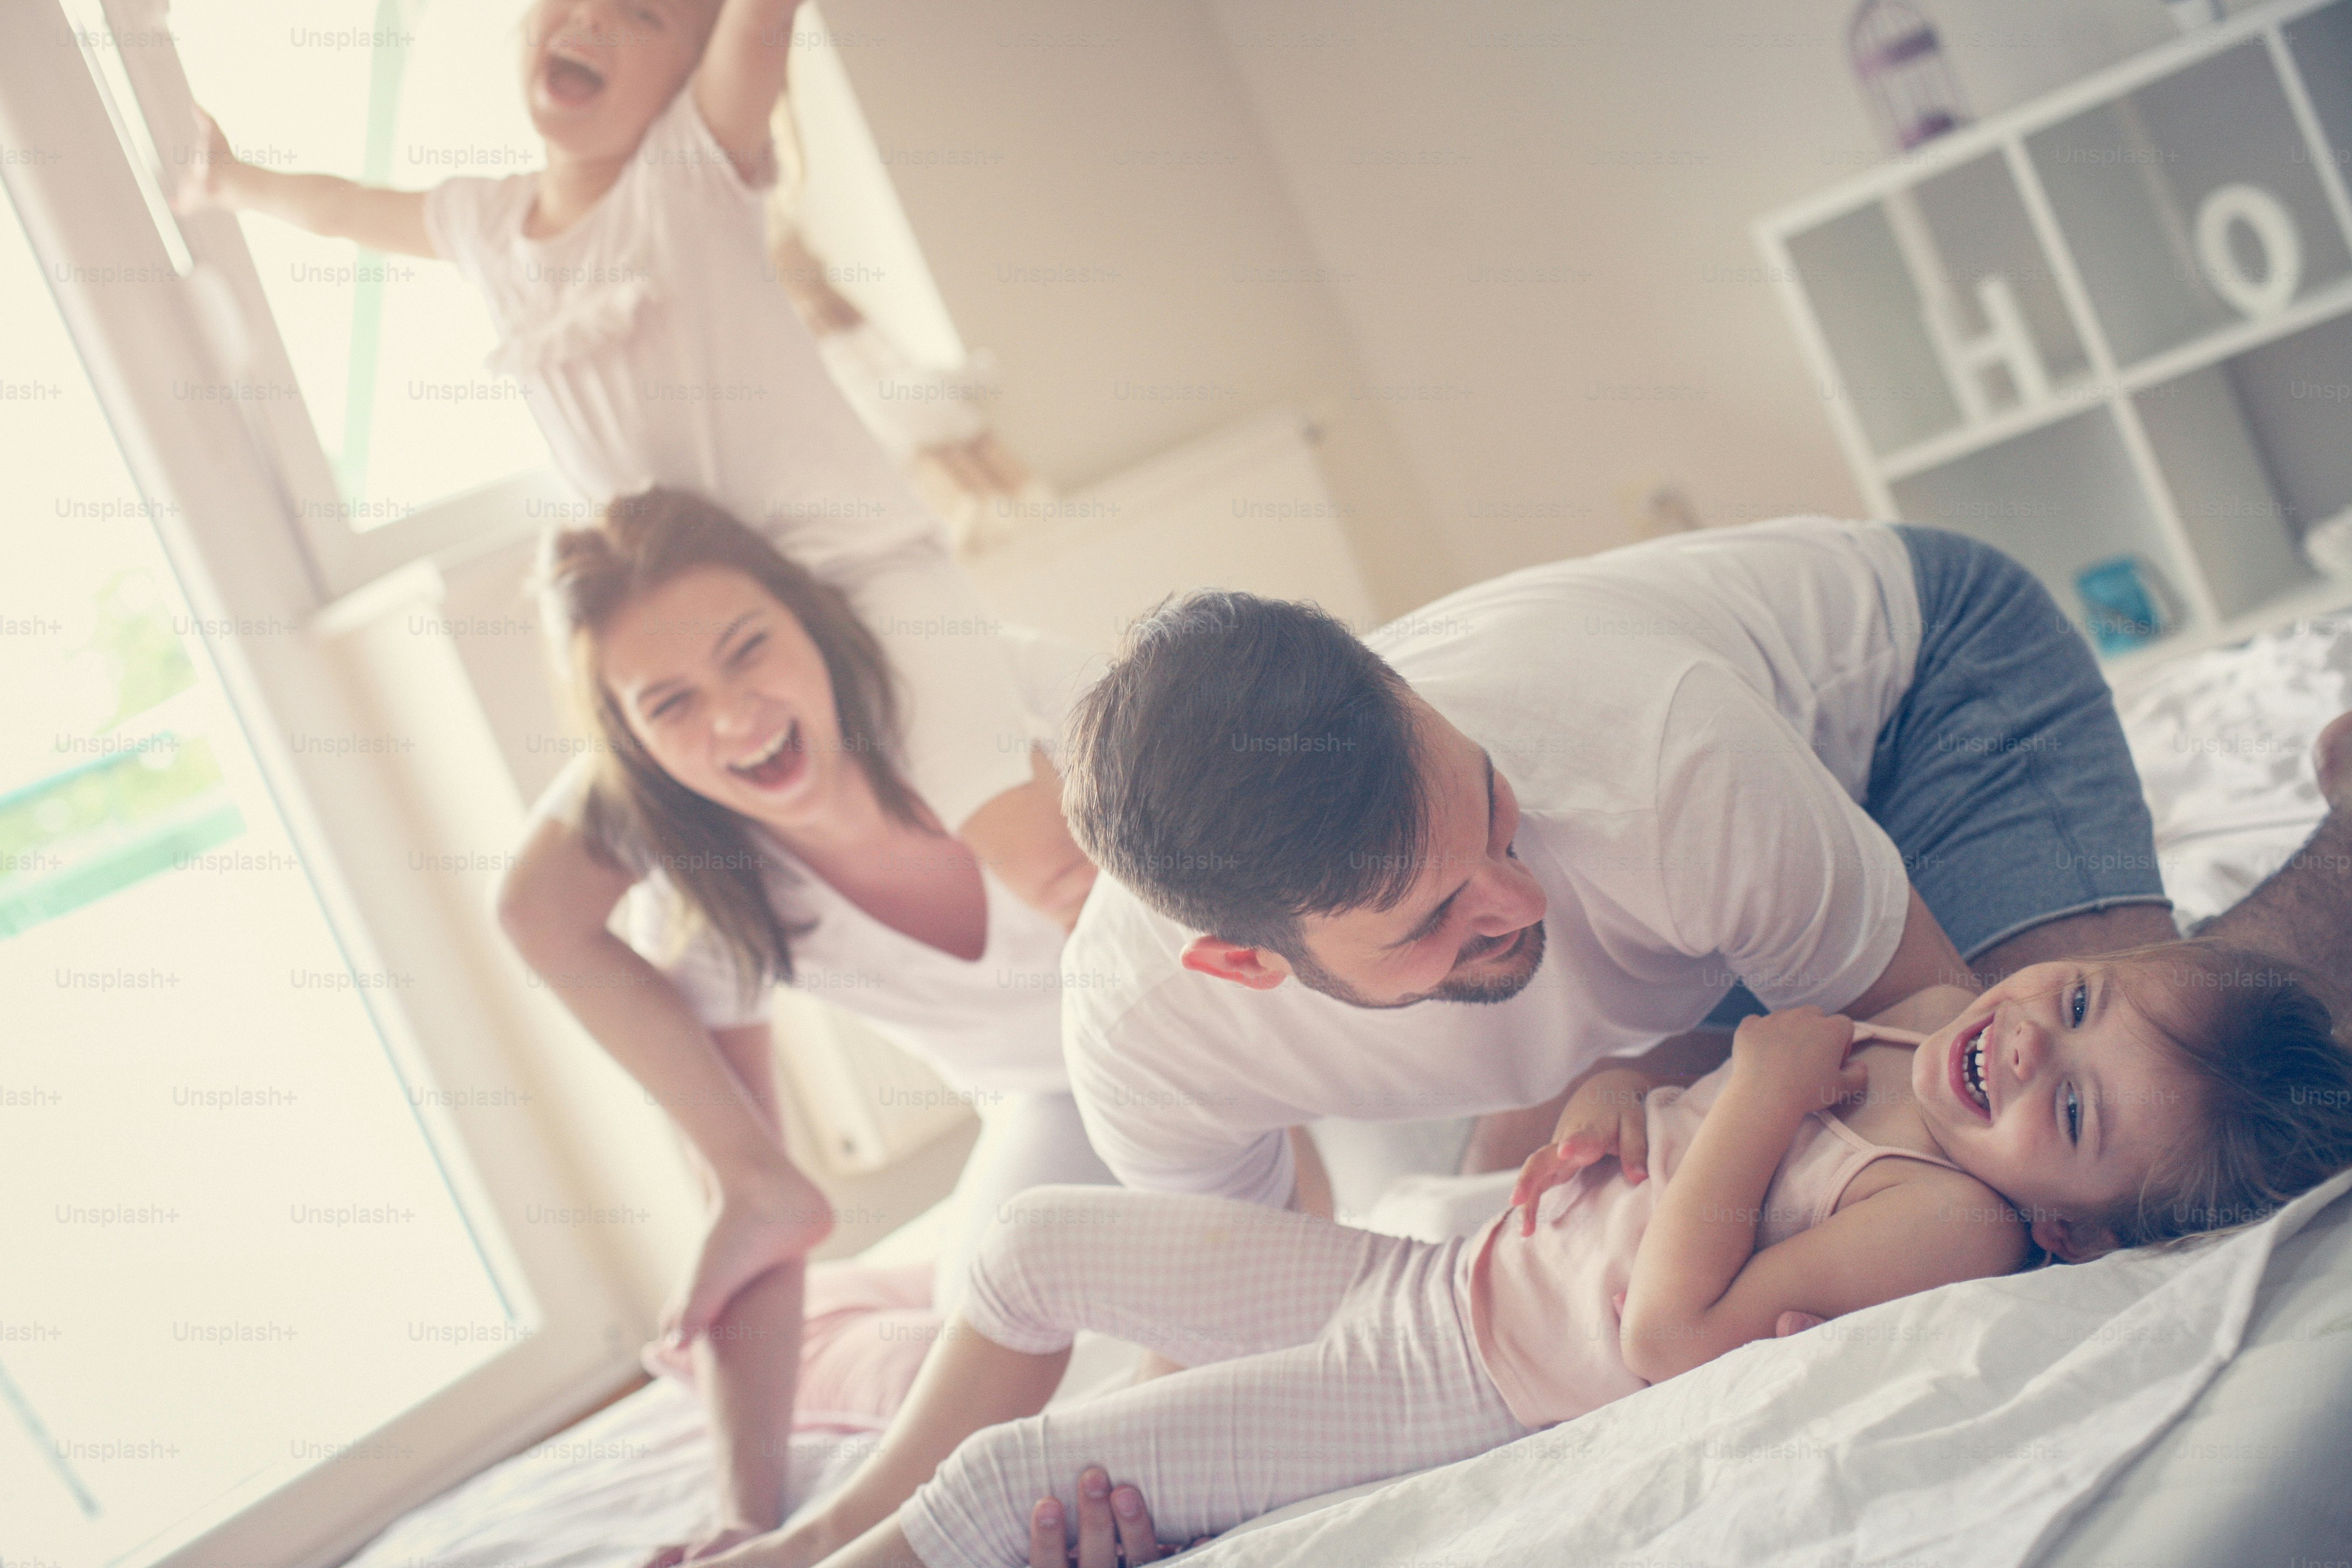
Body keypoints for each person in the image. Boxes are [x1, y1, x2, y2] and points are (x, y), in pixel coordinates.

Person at [697, 944, 2352, 1568]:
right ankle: (829, 1527)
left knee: (1017, 1487)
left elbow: (1669, 1339)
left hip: (1460, 1390)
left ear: (2068, 1224)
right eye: (2074, 1006)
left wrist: (1760, 1100)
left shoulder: (1952, 1221)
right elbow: (1656, 1100)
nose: (2026, 1052)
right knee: (1030, 1242)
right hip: (1437, 1279)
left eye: (2074, 1113)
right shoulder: (1931, 1025)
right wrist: (1633, 1092)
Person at [1050, 518, 2200, 1214]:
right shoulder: (1138, 1039)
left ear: (1400, 685)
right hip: (1721, 892)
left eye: (1494, 810)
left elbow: (1923, 1037)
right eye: (1435, 916)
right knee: (1556, 1204)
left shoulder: (1654, 755)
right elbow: (1254, 1321)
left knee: (2117, 1148)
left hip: (1923, 689)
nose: (1519, 896)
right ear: (1243, 963)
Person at [523, 487, 1118, 1557]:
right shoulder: (716, 891)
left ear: (816, 622)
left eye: (750, 651)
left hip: (1227, 1052)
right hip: (1051, 1106)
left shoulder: (1015, 698)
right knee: (992, 1340)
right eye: (671, 705)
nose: (736, 719)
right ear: (637, 748)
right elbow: (754, 1207)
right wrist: (743, 1513)